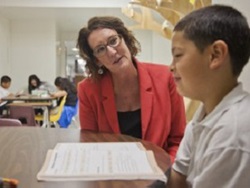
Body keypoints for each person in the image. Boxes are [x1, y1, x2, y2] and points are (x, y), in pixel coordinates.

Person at [76, 16, 186, 162]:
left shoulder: (166, 77)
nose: (112, 52)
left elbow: (178, 139)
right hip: (113, 174)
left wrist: (165, 171)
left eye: (113, 41)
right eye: (101, 49)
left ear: (125, 40)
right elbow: (91, 145)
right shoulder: (88, 90)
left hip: (161, 171)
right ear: (97, 60)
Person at [167, 5, 250, 188]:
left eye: (178, 55)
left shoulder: (232, 136)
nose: (171, 67)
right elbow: (177, 178)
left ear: (215, 55)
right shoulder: (204, 115)